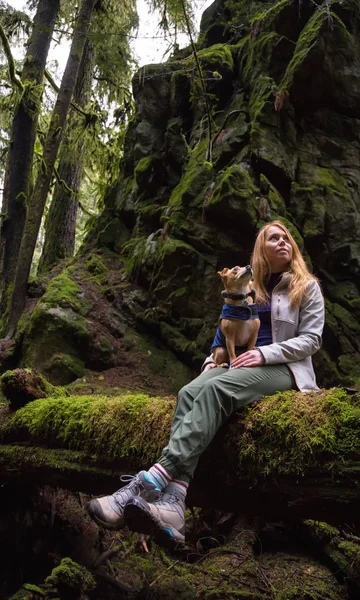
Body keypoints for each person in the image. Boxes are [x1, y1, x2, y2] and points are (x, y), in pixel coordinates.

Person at [86, 220, 325, 546]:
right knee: (189, 391)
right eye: (274, 238)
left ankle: (148, 481)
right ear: (260, 248)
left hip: (286, 369)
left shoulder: (306, 286)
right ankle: (174, 504)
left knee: (216, 389)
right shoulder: (248, 286)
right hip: (237, 364)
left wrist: (264, 354)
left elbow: (311, 340)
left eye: (287, 238)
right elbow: (224, 331)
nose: (283, 242)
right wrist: (212, 362)